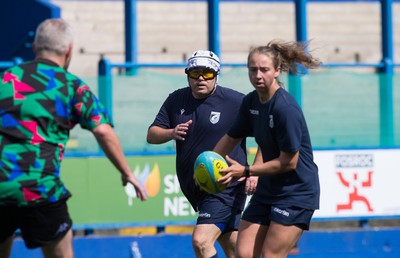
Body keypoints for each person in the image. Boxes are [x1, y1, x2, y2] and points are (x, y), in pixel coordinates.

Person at [0, 18, 147, 258]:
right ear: (69, 51)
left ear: (35, 47)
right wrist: (127, 172)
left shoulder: (5, 79)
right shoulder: (72, 86)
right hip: (40, 189)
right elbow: (102, 130)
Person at [213, 40, 321, 258]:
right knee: (243, 254)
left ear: (277, 70)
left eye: (264, 69)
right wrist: (207, 163)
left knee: (271, 255)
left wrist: (246, 171)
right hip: (268, 191)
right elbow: (231, 137)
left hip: (296, 193)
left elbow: (288, 162)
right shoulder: (251, 102)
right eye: (253, 70)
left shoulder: (285, 108)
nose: (258, 75)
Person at [147, 50, 255, 258]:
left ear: (216, 75)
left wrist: (254, 172)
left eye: (207, 73)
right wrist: (171, 132)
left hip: (225, 185)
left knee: (201, 241)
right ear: (187, 74)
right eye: (195, 73)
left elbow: (267, 136)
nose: (201, 79)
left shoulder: (235, 102)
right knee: (237, 252)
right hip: (198, 188)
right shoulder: (176, 99)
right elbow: (152, 135)